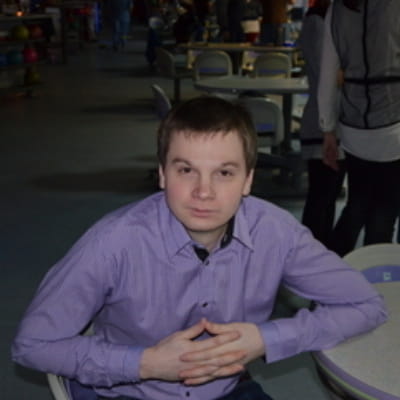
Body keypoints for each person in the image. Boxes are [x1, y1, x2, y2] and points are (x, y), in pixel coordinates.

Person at [12, 96, 387, 400]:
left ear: (248, 180)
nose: (203, 192)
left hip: (227, 390)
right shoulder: (111, 243)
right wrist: (147, 363)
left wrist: (266, 338)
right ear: (162, 174)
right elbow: (32, 345)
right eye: (186, 170)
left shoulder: (276, 232)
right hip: (132, 391)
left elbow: (365, 305)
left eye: (224, 172)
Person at [318, 0, 400, 256]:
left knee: (357, 205)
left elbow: (327, 75)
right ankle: (374, 276)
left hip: (353, 126)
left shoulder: (337, 9)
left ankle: (329, 274)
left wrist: (328, 129)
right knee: (385, 211)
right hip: (394, 126)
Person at [297, 0, 346, 247]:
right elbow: (329, 74)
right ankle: (310, 255)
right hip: (322, 122)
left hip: (335, 120)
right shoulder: (318, 21)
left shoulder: (331, 19)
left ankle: (321, 252)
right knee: (321, 196)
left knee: (328, 196)